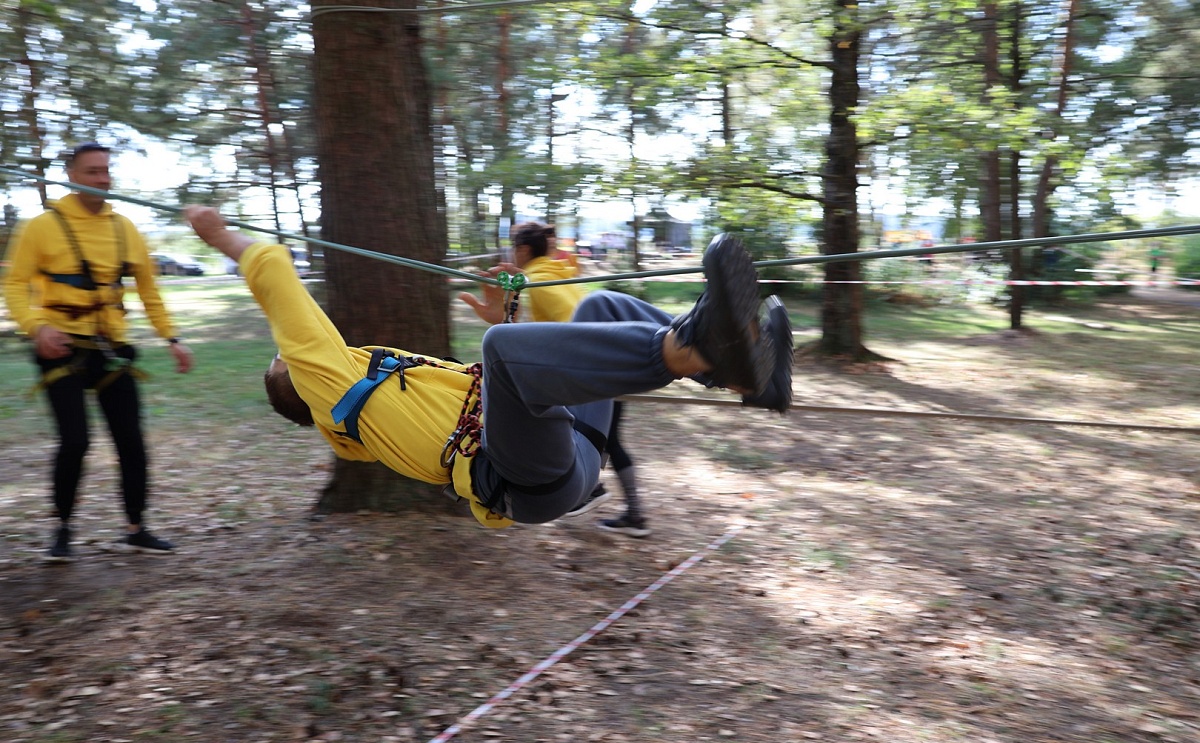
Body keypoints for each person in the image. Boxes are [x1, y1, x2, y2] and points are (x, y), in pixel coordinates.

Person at [184, 205, 792, 528]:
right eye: (292, 355)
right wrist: (222, 238)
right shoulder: (328, 385)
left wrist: (505, 315)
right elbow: (277, 278)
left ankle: (740, 374)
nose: (307, 345)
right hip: (532, 481)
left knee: (598, 306)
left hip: (568, 448)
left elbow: (489, 398)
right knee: (503, 347)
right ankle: (697, 347)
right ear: (300, 375)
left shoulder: (374, 395)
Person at [3, 143, 195, 561]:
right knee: (75, 441)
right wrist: (37, 328)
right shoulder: (41, 227)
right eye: (92, 171)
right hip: (61, 348)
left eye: (106, 170)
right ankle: (62, 528)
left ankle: (136, 528)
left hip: (112, 350)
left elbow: (149, 290)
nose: (102, 179)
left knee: (131, 441)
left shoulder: (125, 228)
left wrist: (172, 338)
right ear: (71, 175)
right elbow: (14, 284)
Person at [460, 222, 647, 537]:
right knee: (609, 439)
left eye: (513, 249)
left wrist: (504, 324)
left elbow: (543, 340)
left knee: (576, 430)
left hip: (589, 372)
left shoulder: (536, 283)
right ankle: (629, 511)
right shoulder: (560, 274)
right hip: (609, 364)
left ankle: (597, 493)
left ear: (523, 250)